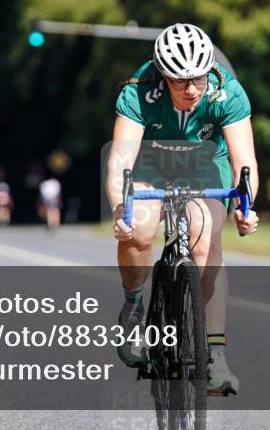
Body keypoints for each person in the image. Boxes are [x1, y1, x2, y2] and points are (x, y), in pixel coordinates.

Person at [106, 22, 259, 396]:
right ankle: (133, 309)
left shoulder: (227, 93)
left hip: (206, 165)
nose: (191, 89)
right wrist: (119, 210)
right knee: (139, 229)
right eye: (179, 81)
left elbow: (245, 163)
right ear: (162, 74)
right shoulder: (139, 92)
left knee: (207, 244)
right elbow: (120, 161)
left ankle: (216, 357)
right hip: (150, 167)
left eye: (198, 79)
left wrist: (246, 206)